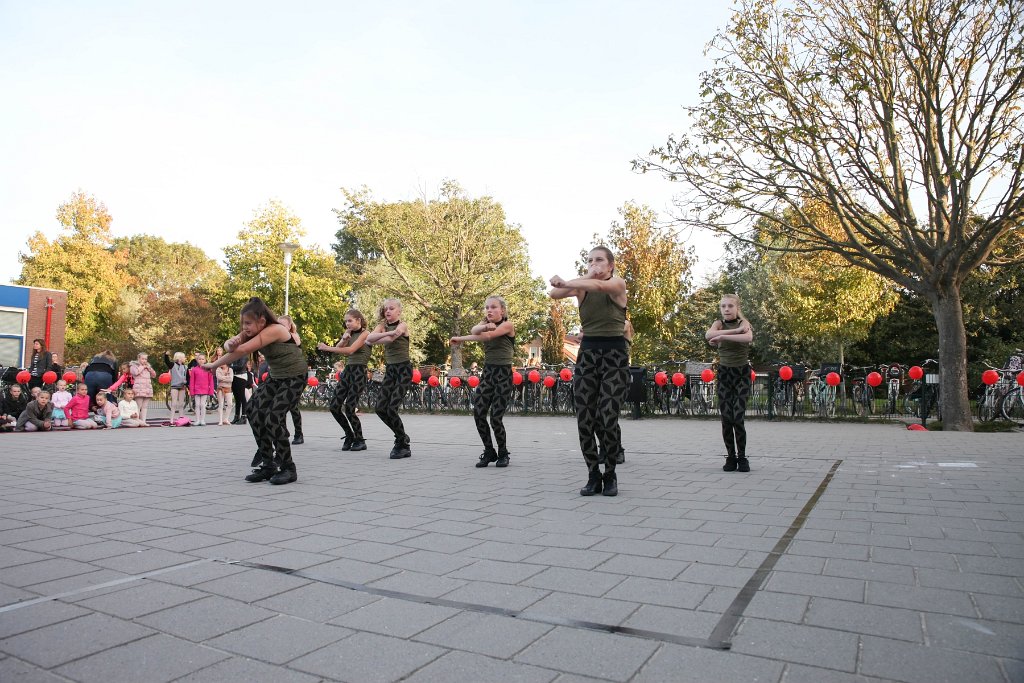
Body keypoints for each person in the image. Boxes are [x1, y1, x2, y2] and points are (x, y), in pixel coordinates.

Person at [549, 246, 628, 497]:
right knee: (585, 417)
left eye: (599, 260)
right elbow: (554, 293)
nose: (594, 264)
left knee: (607, 415)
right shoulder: (582, 286)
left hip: (615, 354)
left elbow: (601, 287)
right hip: (588, 354)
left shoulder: (617, 283)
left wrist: (572, 280)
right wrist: (576, 280)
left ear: (610, 265)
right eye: (590, 260)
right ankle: (593, 475)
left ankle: (610, 473)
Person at [204, 297, 307, 485]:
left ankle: (288, 468)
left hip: (294, 377)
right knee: (253, 411)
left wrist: (215, 363)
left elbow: (242, 350)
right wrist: (230, 343)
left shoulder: (275, 329)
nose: (245, 327)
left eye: (248, 323)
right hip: (276, 378)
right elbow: (231, 345)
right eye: (243, 323)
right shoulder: (251, 330)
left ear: (261, 320)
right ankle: (268, 465)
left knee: (273, 417)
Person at [450, 296, 516, 468]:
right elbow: (475, 330)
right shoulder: (485, 324)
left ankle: (503, 452)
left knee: (495, 417)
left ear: (502, 310)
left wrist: (480, 331)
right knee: (478, 413)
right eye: (487, 307)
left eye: (493, 307)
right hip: (488, 373)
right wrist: (462, 338)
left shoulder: (507, 325)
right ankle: (489, 451)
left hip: (503, 374)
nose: (489, 310)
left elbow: (487, 336)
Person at [706, 293, 755, 472]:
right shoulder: (718, 323)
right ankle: (731, 457)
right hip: (725, 374)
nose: (726, 309)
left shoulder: (744, 324)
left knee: (738, 417)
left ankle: (742, 457)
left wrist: (722, 337)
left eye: (730, 306)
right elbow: (709, 334)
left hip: (741, 373)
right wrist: (731, 332)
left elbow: (747, 338)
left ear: (737, 308)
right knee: (726, 418)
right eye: (723, 306)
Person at [365, 298, 413, 459]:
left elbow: (393, 337)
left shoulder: (403, 325)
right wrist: (385, 333)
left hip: (404, 370)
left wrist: (380, 336)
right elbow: (368, 339)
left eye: (392, 308)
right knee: (380, 408)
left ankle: (402, 444)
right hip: (391, 370)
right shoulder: (382, 326)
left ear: (399, 311)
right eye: (386, 309)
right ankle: (402, 436)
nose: (388, 311)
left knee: (391, 408)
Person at [318, 309, 371, 452]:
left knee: (349, 408)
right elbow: (339, 348)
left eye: (350, 321)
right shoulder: (349, 334)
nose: (347, 323)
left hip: (359, 372)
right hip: (348, 371)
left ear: (358, 320)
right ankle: (349, 435)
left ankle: (360, 440)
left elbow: (350, 351)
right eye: (346, 321)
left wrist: (326, 348)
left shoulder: (365, 334)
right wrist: (344, 339)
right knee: (334, 406)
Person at [277, 316, 304, 445]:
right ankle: (284, 432)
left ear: (289, 326)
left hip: (295, 375)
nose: (280, 327)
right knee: (279, 407)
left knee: (293, 406)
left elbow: (297, 344)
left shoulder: (294, 336)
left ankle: (298, 433)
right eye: (278, 325)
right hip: (280, 374)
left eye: (283, 325)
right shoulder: (275, 337)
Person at [188, 352, 215, 426]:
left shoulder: (208, 369)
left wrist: (211, 391)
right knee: (197, 405)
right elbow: (192, 381)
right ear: (197, 360)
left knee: (203, 405)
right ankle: (197, 420)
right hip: (197, 389)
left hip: (205, 389)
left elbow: (211, 381)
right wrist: (191, 391)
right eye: (199, 359)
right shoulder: (194, 369)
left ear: (205, 360)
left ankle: (202, 420)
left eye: (202, 359)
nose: (201, 360)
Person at [130, 353, 157, 425]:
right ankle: (137, 421)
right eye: (143, 359)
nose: (144, 360)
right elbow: (135, 373)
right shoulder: (133, 366)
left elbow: (154, 375)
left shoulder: (148, 367)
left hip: (147, 388)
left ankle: (143, 421)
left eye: (146, 359)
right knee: (138, 406)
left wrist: (149, 368)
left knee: (145, 407)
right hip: (139, 388)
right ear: (138, 358)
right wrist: (142, 367)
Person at [164, 351, 189, 425]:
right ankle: (171, 419)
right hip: (174, 386)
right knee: (174, 403)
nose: (185, 358)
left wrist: (188, 385)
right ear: (180, 358)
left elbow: (187, 377)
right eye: (184, 357)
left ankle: (181, 418)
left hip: (182, 386)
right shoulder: (172, 365)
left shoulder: (185, 367)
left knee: (181, 403)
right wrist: (166, 355)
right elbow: (167, 361)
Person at [215, 352, 235, 425]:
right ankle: (220, 420)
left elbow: (231, 379)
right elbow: (219, 378)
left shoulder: (230, 370)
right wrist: (227, 377)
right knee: (221, 404)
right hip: (220, 388)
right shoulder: (218, 369)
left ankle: (226, 419)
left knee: (230, 404)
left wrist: (224, 378)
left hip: (228, 388)